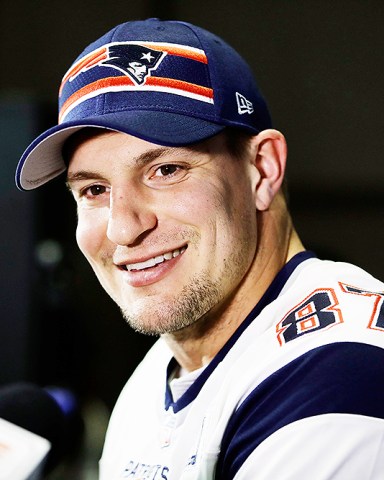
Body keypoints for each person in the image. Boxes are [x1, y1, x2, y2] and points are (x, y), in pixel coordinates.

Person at [15, 18, 384, 480]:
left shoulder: (340, 373)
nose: (124, 229)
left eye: (166, 170)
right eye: (93, 190)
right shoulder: (158, 375)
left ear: (263, 170)